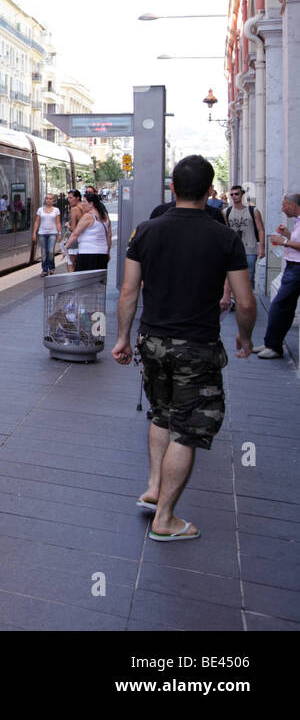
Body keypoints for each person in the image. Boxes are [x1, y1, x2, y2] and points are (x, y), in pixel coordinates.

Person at [113, 155, 254, 542]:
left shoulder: (146, 231)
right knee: (187, 431)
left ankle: (154, 486)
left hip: (153, 340)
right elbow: (244, 301)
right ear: (211, 192)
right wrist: (246, 338)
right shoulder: (224, 237)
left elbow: (128, 291)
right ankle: (166, 518)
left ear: (172, 188)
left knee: (161, 415)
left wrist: (123, 338)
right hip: (197, 345)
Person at [254, 191, 300, 359]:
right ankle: (271, 343)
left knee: (279, 306)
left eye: (284, 205)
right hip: (292, 267)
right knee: (282, 307)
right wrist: (287, 235)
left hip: (296, 268)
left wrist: (285, 241)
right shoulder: (297, 222)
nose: (282, 208)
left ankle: (273, 345)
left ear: (293, 206)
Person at [223, 185, 265, 288]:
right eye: (231, 194)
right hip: (233, 249)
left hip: (250, 248)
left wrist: (261, 247)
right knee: (232, 276)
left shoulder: (253, 211)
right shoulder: (226, 212)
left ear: (242, 194)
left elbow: (261, 229)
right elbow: (225, 232)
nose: (234, 196)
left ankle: (249, 301)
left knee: (249, 276)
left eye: (236, 194)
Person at [64, 191, 111, 273]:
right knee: (98, 281)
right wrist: (108, 252)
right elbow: (109, 236)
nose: (82, 204)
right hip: (102, 253)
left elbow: (75, 234)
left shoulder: (88, 216)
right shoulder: (105, 216)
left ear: (91, 203)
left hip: (87, 253)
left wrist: (65, 247)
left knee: (84, 281)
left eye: (84, 202)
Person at [32, 196, 62, 276]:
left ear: (53, 200)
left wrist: (60, 233)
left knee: (51, 251)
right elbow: (37, 222)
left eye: (50, 199)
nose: (48, 200)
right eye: (47, 198)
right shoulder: (40, 210)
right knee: (44, 252)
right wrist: (34, 232)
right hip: (42, 233)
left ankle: (52, 268)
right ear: (45, 200)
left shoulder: (56, 210)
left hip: (53, 233)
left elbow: (58, 222)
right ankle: (45, 270)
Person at [65, 190, 84, 270]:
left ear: (77, 198)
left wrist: (68, 225)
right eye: (68, 198)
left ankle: (72, 282)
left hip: (74, 239)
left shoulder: (74, 209)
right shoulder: (85, 207)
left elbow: (73, 228)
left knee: (71, 264)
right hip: (83, 239)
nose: (69, 200)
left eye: (71, 198)